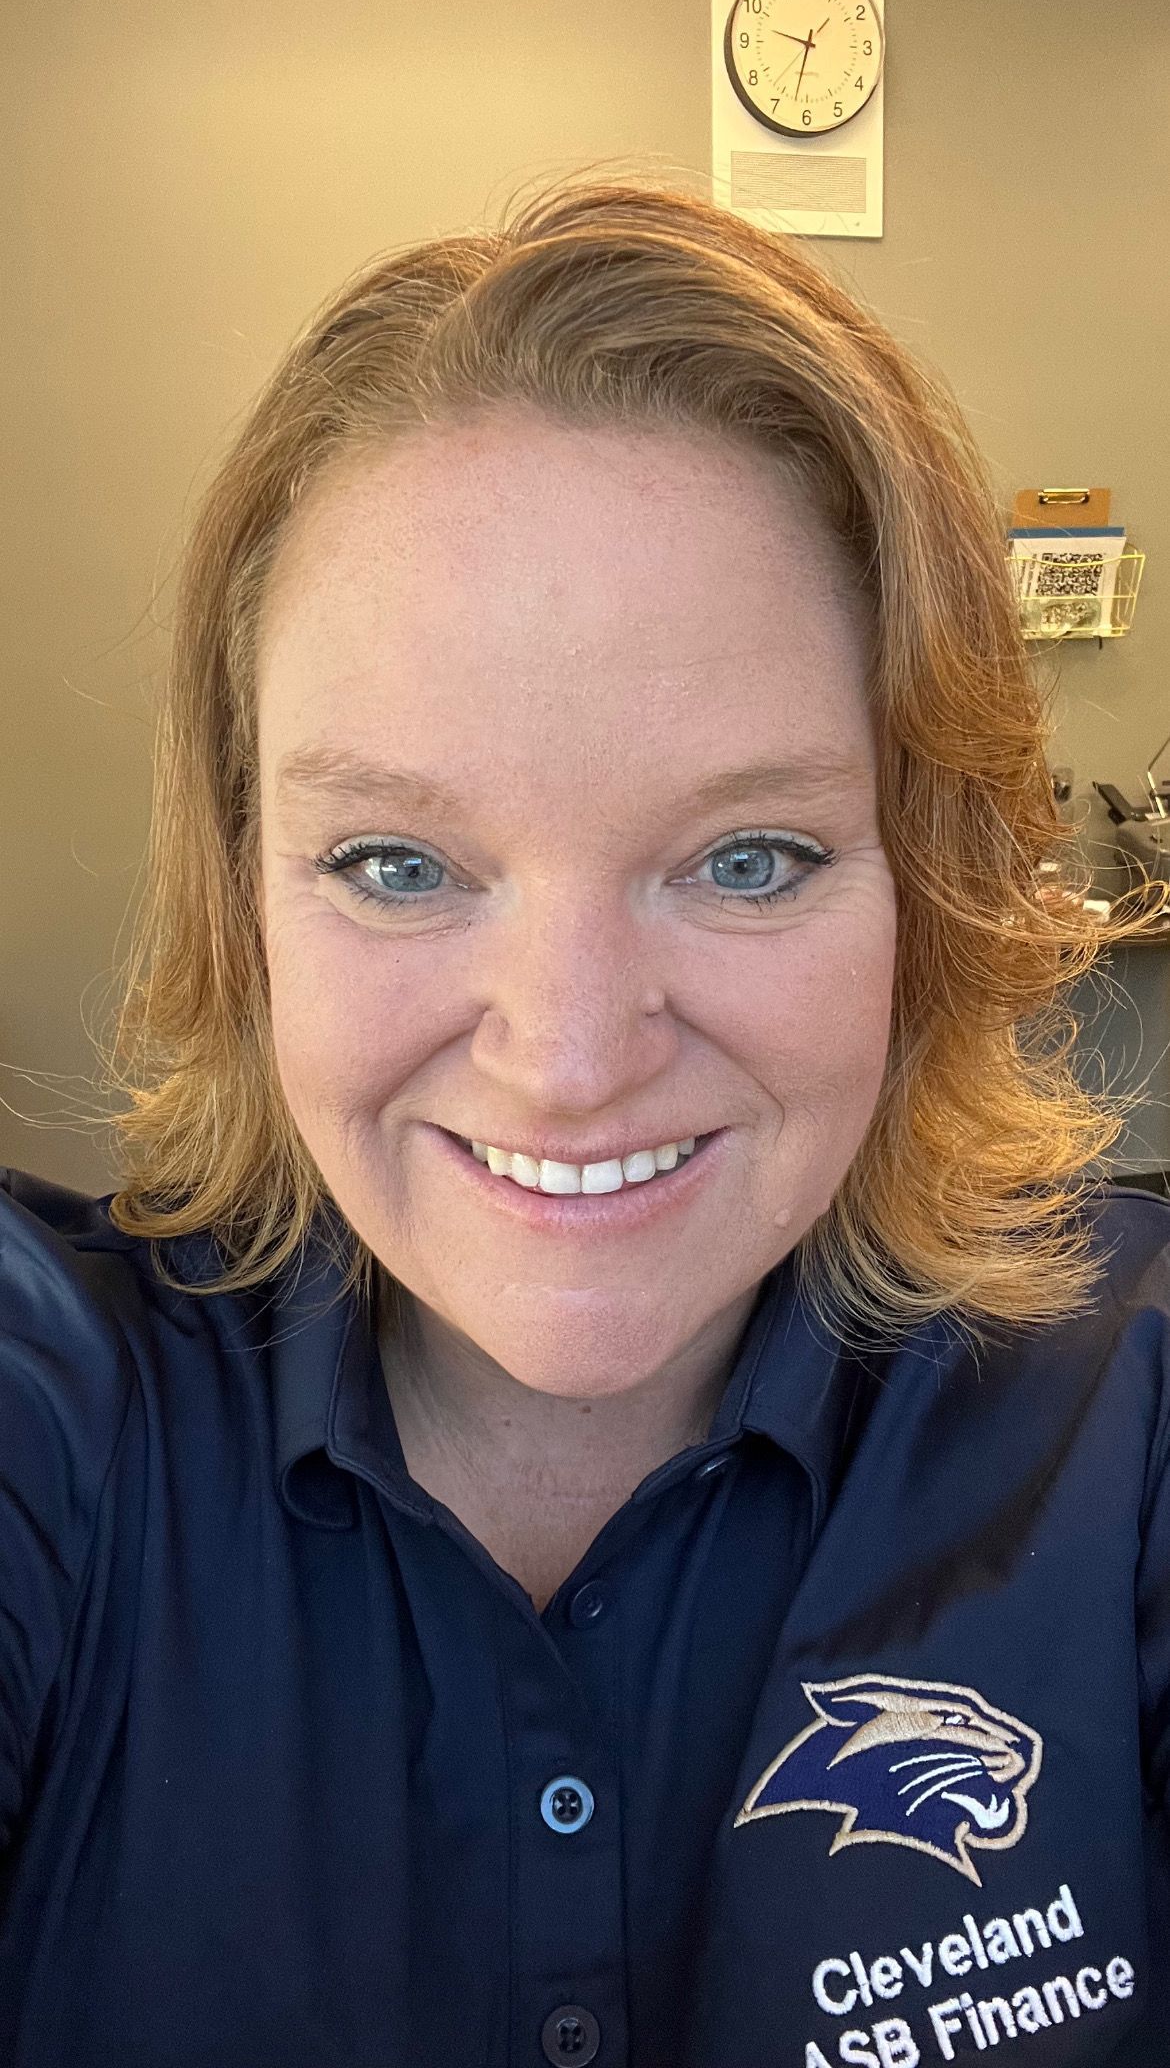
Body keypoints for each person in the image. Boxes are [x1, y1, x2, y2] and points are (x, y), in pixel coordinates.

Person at [1, 174, 1169, 2068]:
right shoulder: (59, 1419)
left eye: (747, 855)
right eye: (394, 861)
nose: (564, 1057)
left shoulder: (1122, 1423)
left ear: (923, 880)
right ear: (247, 889)